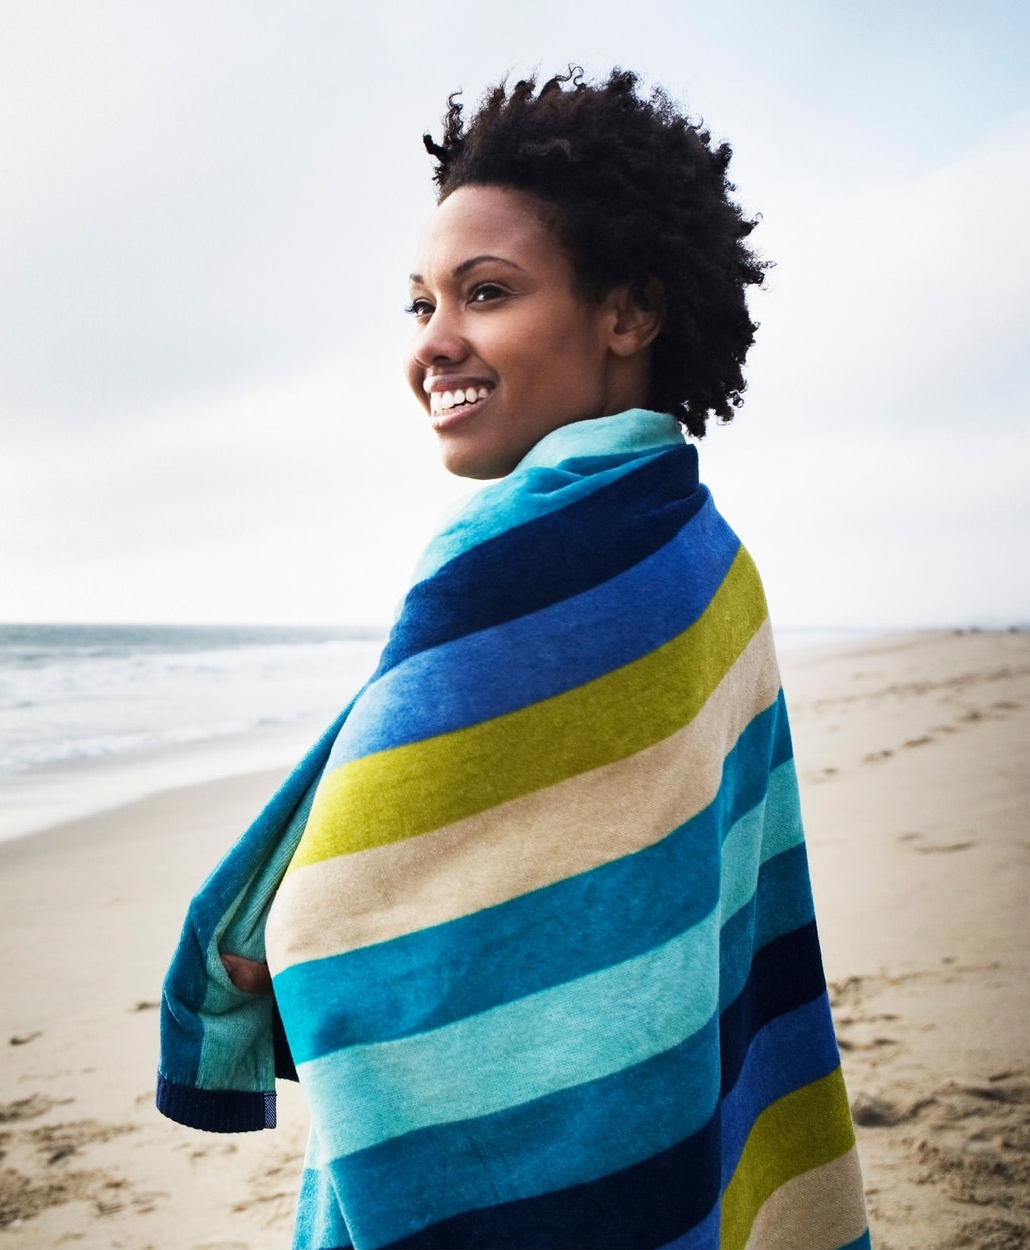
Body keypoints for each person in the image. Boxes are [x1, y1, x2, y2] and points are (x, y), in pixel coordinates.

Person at [157, 67, 871, 1250]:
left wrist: (255, 954)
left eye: (483, 294)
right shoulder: (706, 559)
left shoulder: (507, 563)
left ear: (628, 314)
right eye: (419, 304)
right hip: (667, 1118)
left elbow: (333, 918)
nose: (433, 345)